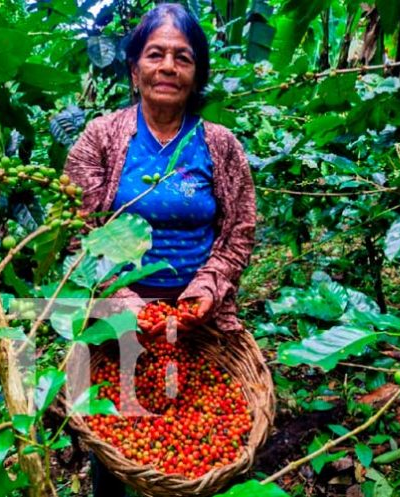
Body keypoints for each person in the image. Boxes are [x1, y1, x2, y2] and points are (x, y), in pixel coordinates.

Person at [63, 3, 256, 496]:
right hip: (119, 318)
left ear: (197, 74)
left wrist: (208, 286)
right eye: (155, 54)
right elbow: (75, 230)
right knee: (114, 433)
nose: (168, 66)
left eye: (183, 57)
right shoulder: (101, 139)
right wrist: (117, 296)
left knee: (200, 436)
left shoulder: (220, 144)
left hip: (198, 322)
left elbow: (239, 228)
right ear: (134, 69)